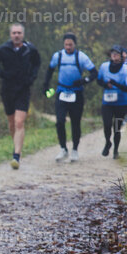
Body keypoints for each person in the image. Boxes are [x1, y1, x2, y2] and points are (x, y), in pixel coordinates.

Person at [0, 23, 40, 169]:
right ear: (10, 35)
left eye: (19, 33)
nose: (16, 35)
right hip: (8, 89)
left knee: (19, 122)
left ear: (23, 35)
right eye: (14, 33)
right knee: (11, 122)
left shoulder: (30, 49)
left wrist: (32, 78)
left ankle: (16, 155)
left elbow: (37, 63)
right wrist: (3, 74)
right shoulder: (3, 49)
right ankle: (17, 146)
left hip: (23, 89)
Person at [42, 33, 96, 162]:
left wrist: (84, 81)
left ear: (75, 44)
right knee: (60, 121)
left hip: (76, 94)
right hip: (61, 92)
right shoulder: (58, 56)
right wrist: (45, 86)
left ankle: (75, 150)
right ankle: (63, 148)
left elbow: (94, 73)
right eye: (66, 44)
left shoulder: (81, 57)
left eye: (70, 44)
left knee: (75, 122)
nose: (68, 47)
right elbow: (50, 70)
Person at [96, 45, 127, 158]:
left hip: (121, 103)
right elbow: (98, 81)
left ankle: (116, 151)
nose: (114, 55)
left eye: (117, 53)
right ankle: (108, 142)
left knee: (116, 128)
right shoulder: (104, 66)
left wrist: (115, 83)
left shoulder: (126, 69)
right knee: (107, 125)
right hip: (107, 102)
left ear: (121, 56)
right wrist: (106, 84)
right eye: (112, 53)